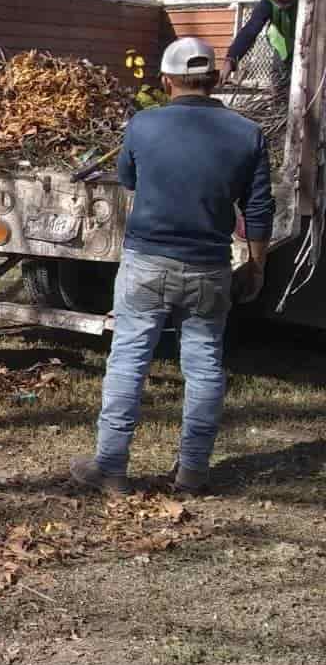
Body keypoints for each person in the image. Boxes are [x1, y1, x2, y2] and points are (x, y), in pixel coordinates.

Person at [70, 37, 274, 496]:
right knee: (204, 368)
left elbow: (127, 178)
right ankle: (193, 471)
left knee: (128, 363)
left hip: (147, 264)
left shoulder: (143, 125)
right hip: (209, 268)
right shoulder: (248, 133)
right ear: (216, 79)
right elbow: (260, 210)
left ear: (166, 81)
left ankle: (112, 469)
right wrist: (256, 267)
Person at [225, 0, 301, 92]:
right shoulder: (268, 1)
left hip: (310, 51)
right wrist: (230, 60)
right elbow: (250, 30)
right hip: (283, 49)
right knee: (281, 92)